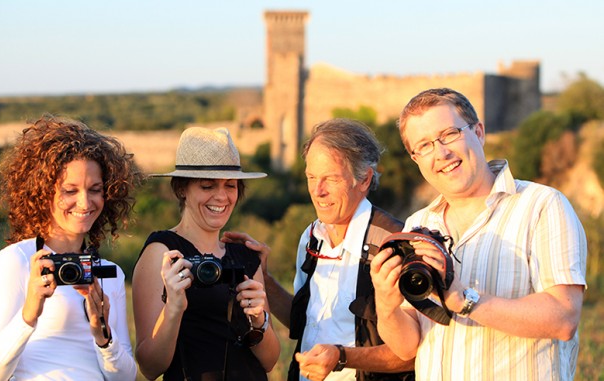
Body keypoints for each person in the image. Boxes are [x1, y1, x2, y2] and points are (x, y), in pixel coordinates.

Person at [370, 88, 588, 380]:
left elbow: (563, 318)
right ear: (415, 158)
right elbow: (407, 347)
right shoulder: (416, 225)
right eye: (424, 145)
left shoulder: (542, 205)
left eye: (449, 134)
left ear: (479, 132)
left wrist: (464, 300)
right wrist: (386, 306)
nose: (441, 153)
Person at [223, 118, 415, 381]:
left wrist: (340, 357)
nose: (317, 190)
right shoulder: (312, 236)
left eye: (331, 179)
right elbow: (306, 321)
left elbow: (415, 351)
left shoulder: (393, 244)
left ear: (364, 179)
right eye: (311, 177)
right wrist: (263, 278)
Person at [0, 115, 141, 380]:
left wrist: (102, 335)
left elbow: (124, 377)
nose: (85, 202)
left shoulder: (108, 273)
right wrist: (29, 315)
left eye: (95, 189)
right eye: (70, 190)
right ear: (43, 192)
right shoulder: (17, 261)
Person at [132, 126, 280, 381]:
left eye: (230, 186)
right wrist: (174, 309)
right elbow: (150, 367)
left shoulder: (244, 257)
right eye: (207, 186)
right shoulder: (162, 252)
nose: (221, 196)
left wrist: (259, 319)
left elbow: (269, 361)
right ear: (181, 189)